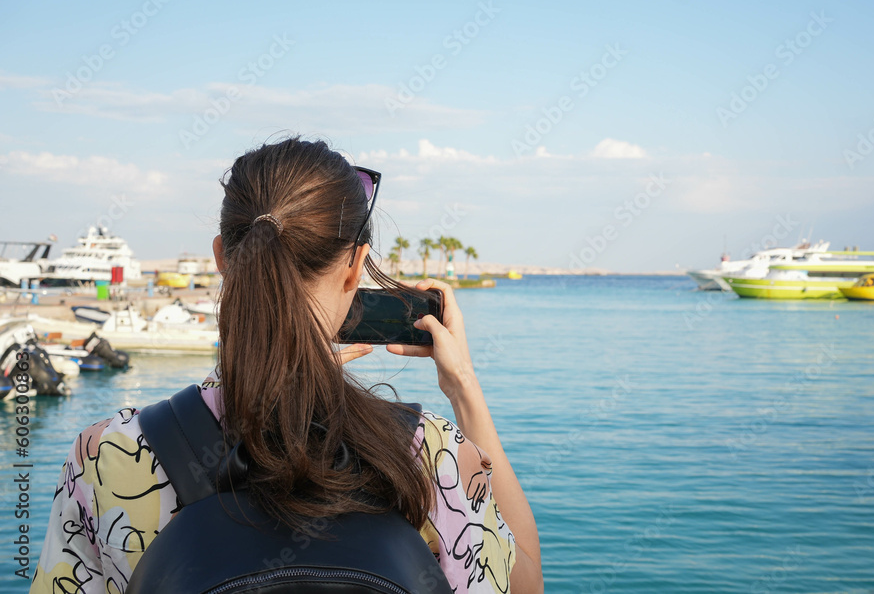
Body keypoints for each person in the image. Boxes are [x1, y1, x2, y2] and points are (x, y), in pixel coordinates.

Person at [31, 138, 544, 593]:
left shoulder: (104, 456)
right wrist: (464, 386)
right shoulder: (426, 454)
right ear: (354, 266)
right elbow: (525, 585)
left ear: (222, 257)